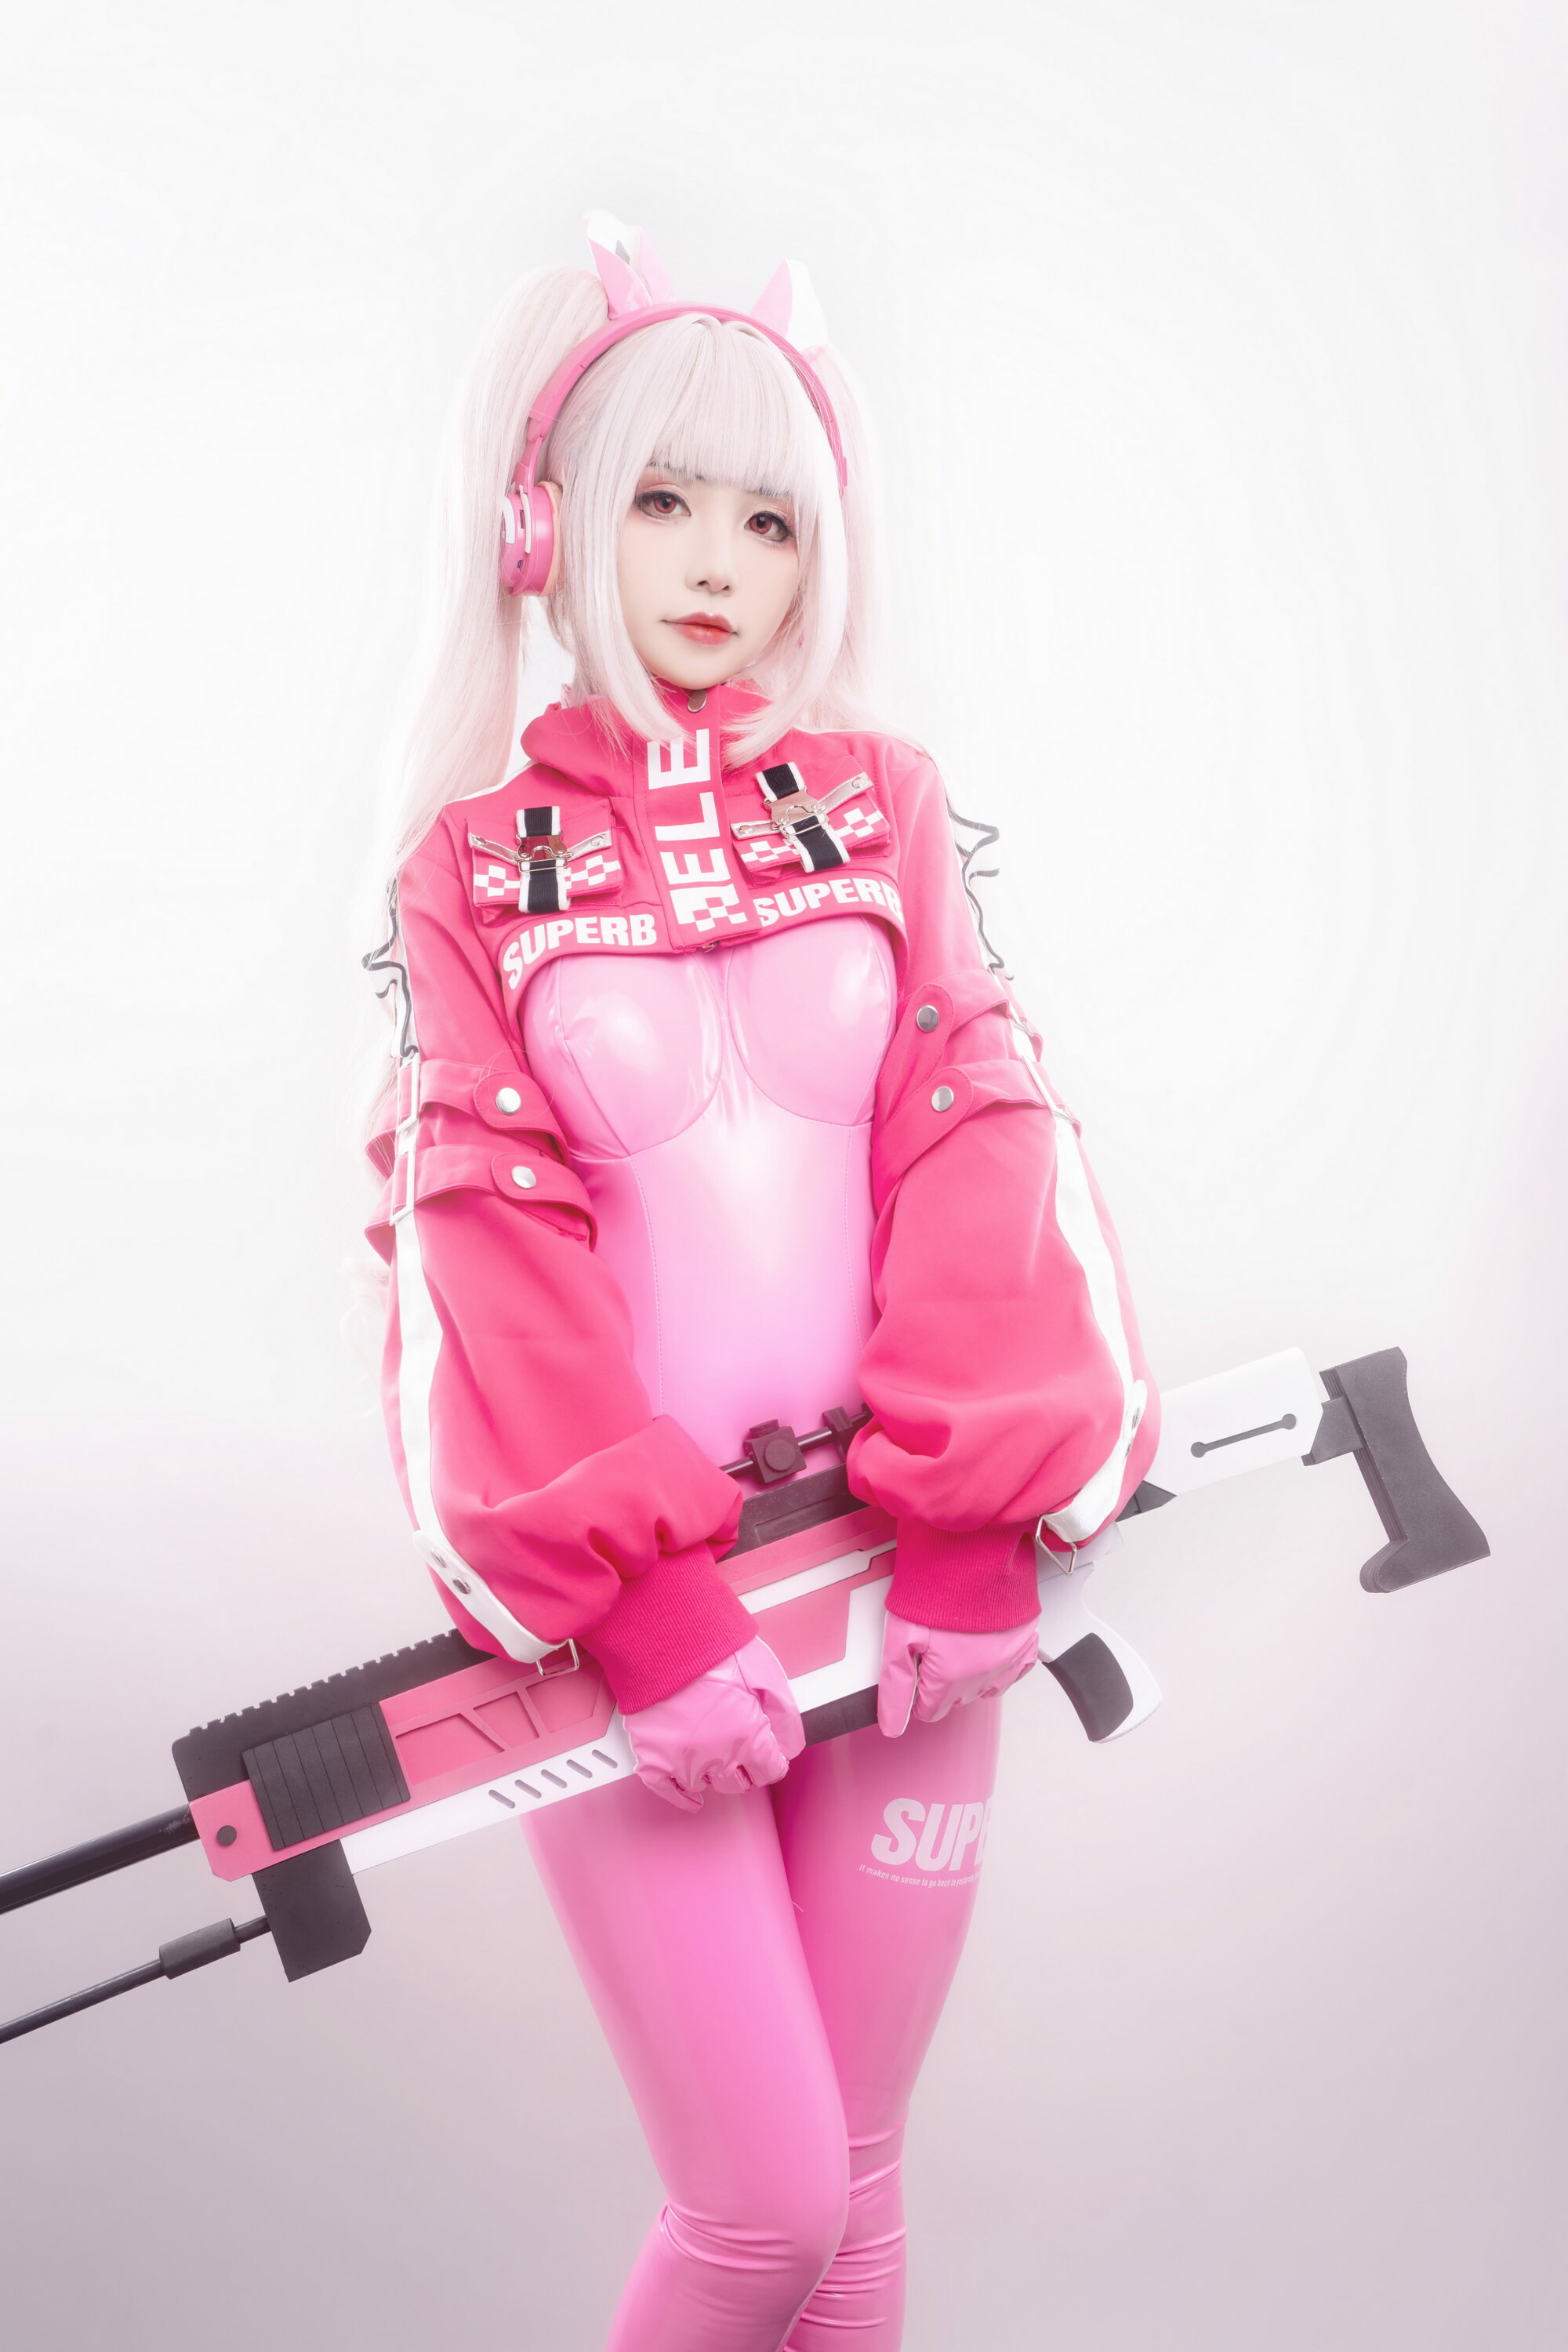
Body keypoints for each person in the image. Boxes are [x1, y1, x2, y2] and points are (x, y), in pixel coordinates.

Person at [361, 213, 1160, 2352]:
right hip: (634, 1633)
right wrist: (639, 1610)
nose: (721, 562)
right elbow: (481, 1252)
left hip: (907, 1579)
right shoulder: (464, 870)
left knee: (862, 2203)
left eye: (771, 517)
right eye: (662, 499)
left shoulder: (889, 808)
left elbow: (979, 1141)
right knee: (762, 2207)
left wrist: (977, 1521)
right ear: (548, 524)